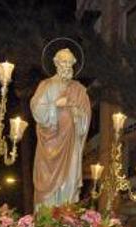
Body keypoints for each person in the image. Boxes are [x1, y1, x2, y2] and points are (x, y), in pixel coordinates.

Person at [30, 48, 91, 208]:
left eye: (70, 63)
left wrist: (79, 115)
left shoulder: (79, 90)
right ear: (56, 63)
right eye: (63, 62)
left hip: (71, 144)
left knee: (68, 182)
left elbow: (86, 118)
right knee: (47, 188)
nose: (67, 66)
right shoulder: (46, 85)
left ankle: (66, 219)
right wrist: (55, 105)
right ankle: (47, 220)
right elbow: (37, 109)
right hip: (49, 145)